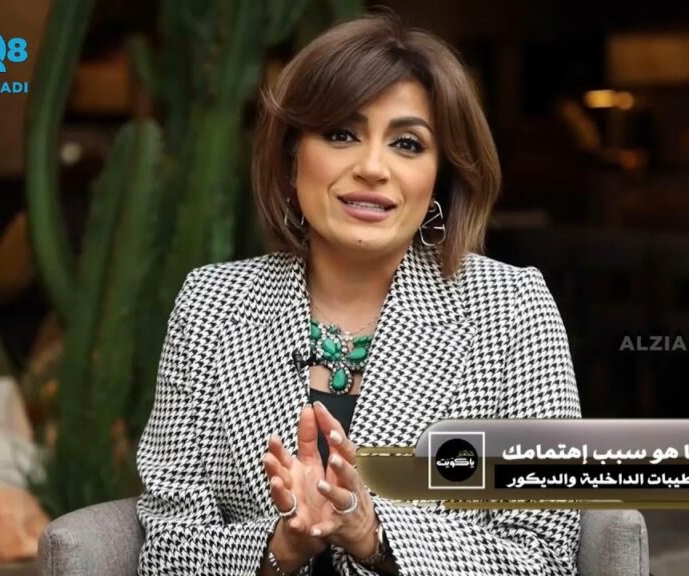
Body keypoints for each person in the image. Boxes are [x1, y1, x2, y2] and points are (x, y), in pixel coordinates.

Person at [136, 12, 582, 576]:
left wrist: (374, 534)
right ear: (292, 157)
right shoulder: (211, 305)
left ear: (440, 177)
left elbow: (543, 555)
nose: (372, 168)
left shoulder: (511, 309)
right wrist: (282, 545)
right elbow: (167, 549)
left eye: (407, 144)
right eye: (342, 134)